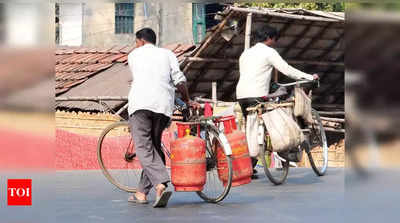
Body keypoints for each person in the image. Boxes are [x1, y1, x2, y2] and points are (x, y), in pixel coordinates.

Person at [127, 28, 199, 207]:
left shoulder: (133, 55)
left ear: (141, 41)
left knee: (143, 148)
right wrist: (187, 100)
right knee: (154, 147)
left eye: (136, 42)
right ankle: (141, 193)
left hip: (140, 105)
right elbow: (179, 81)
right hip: (163, 107)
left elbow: (145, 79)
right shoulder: (168, 54)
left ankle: (160, 182)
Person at [236, 25, 319, 179]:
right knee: (278, 118)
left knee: (251, 129)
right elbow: (286, 69)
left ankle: (248, 167)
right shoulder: (269, 52)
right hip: (258, 95)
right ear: (269, 38)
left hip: (242, 95)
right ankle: (285, 147)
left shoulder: (245, 54)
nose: (275, 42)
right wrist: (308, 77)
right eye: (274, 39)